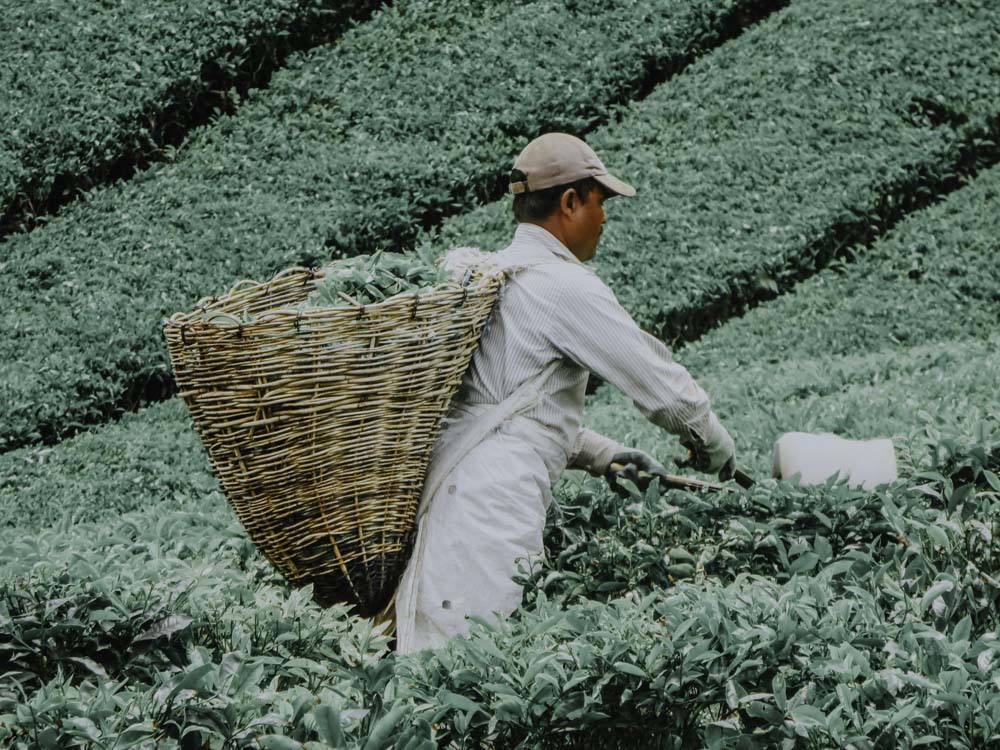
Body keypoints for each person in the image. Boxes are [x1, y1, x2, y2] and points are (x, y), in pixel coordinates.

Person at [393, 133, 736, 654]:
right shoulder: (562, 285)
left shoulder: (489, 274)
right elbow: (663, 390)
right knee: (466, 670)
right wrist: (716, 447)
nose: (604, 218)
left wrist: (603, 455)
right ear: (570, 201)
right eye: (600, 202)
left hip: (453, 488)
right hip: (490, 504)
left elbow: (510, 407)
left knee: (439, 657)